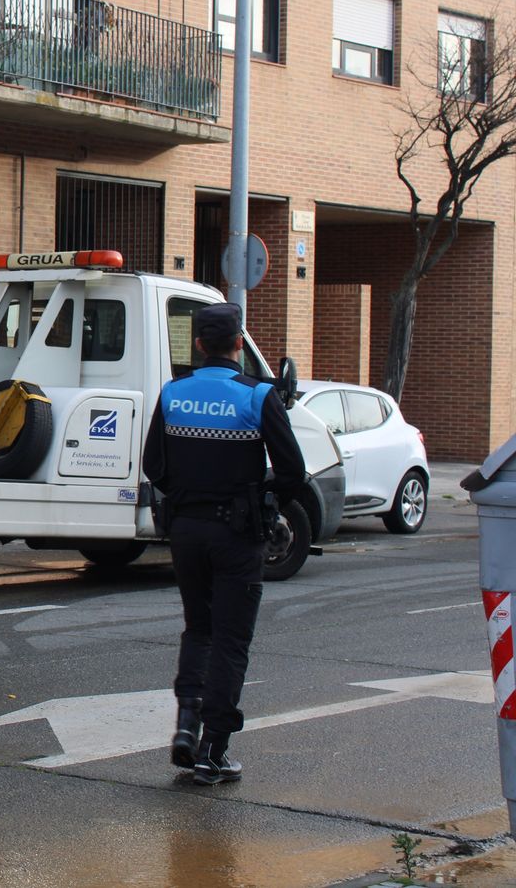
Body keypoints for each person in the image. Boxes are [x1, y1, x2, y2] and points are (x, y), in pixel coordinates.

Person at [142, 302, 303, 785]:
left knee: (199, 630)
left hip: (187, 531)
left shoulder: (173, 393)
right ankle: (213, 751)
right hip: (237, 534)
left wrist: (192, 491)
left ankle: (186, 727)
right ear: (238, 343)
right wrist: (262, 493)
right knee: (231, 640)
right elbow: (293, 472)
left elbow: (155, 465)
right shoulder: (257, 396)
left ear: (196, 345)